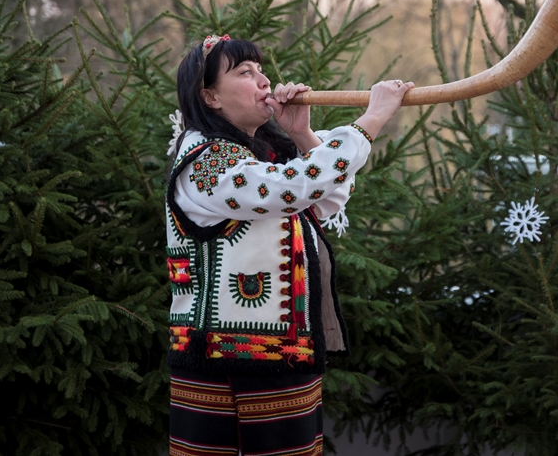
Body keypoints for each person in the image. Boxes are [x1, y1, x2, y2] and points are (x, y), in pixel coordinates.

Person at [165, 34, 413, 456]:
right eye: (245, 73)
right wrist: (370, 121)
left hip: (284, 360)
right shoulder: (205, 160)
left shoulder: (257, 156)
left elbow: (328, 198)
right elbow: (293, 187)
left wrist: (301, 133)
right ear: (210, 97)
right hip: (227, 367)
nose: (264, 81)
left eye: (261, 70)